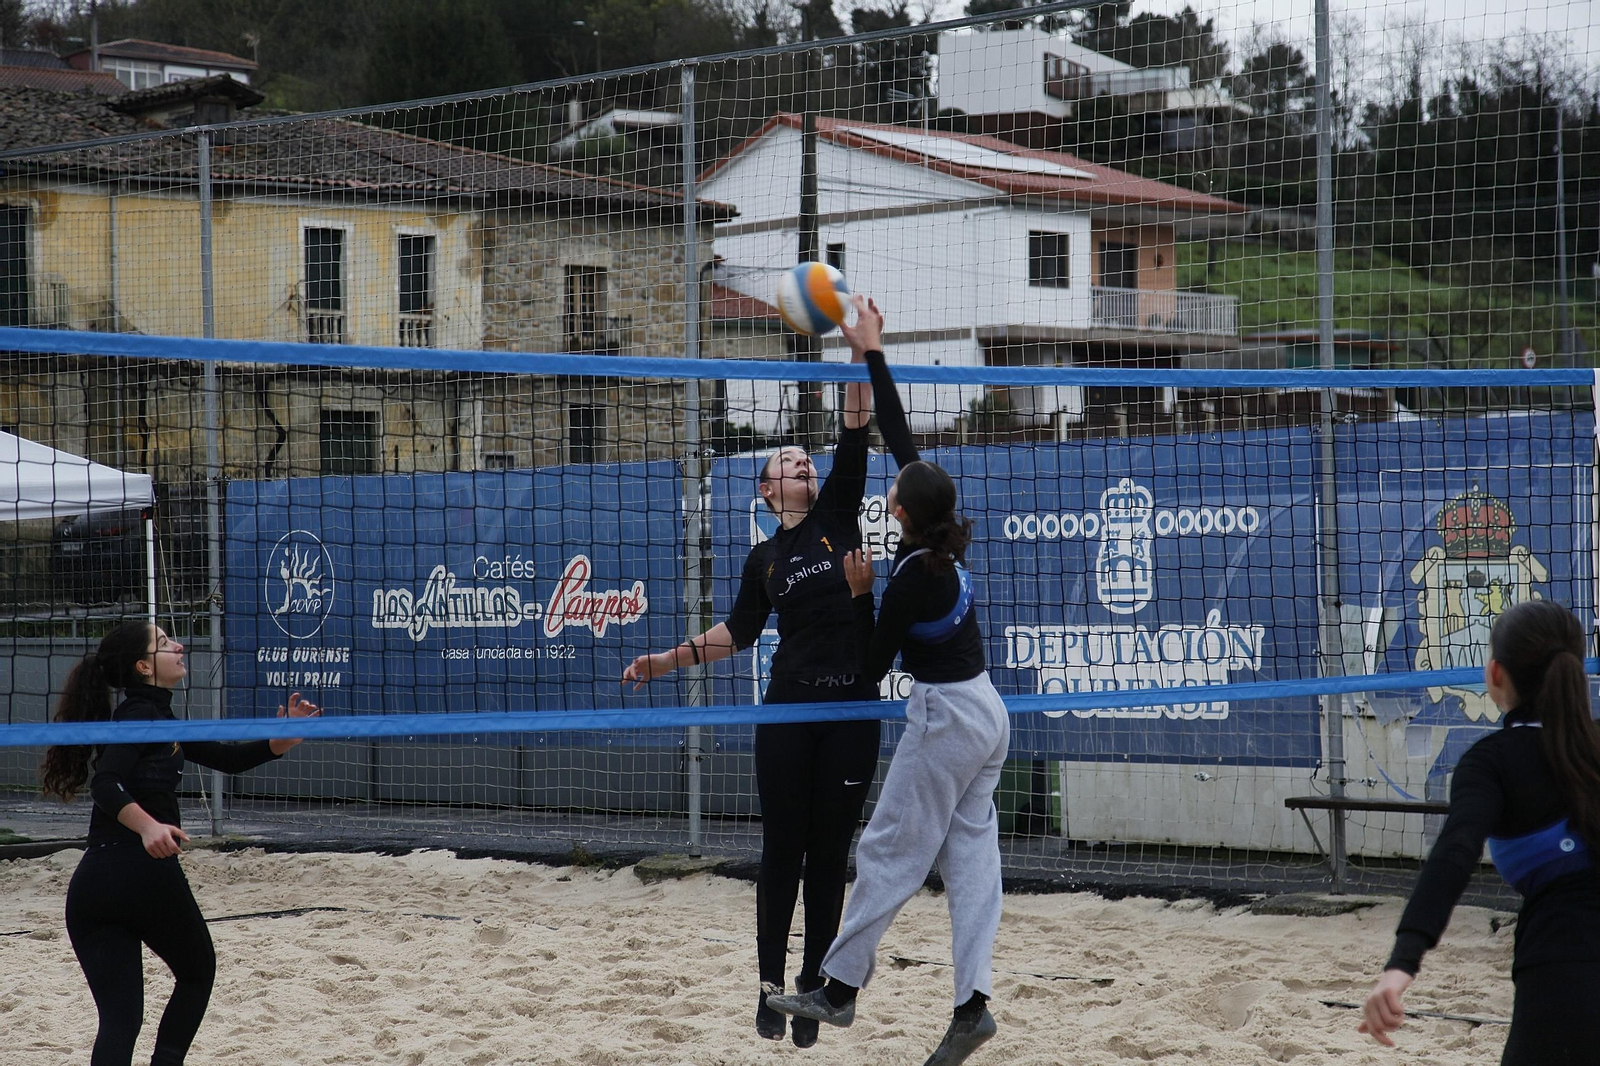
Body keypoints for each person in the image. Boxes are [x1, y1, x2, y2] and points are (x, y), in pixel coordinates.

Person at [622, 318, 881, 1048]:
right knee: (783, 852)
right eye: (790, 462)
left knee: (832, 857)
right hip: (791, 711)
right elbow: (734, 636)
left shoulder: (836, 515)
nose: (803, 463)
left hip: (853, 710)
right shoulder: (763, 559)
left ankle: (812, 987)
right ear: (768, 491)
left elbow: (856, 432)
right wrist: (664, 660)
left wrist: (859, 351)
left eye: (806, 458)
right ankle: (770, 985)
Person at [767, 302, 1009, 1066]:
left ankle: (836, 990)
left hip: (944, 721)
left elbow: (871, 667)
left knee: (886, 853)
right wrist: (873, 350)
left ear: (898, 512)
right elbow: (900, 438)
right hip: (990, 713)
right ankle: (972, 1004)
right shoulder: (940, 538)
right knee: (971, 866)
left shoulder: (905, 578)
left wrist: (860, 590)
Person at [39, 620, 320, 1066]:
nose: (179, 645)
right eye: (165, 643)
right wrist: (149, 826)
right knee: (197, 972)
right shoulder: (139, 717)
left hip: (93, 885)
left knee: (120, 1020)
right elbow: (105, 783)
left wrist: (281, 739)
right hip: (141, 869)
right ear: (143, 666)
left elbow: (227, 758)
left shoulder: (156, 717)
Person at [1358, 599, 1600, 1063]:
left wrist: (1400, 965)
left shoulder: (1492, 761)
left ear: (1494, 675)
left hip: (1566, 965)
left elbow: (1454, 854)